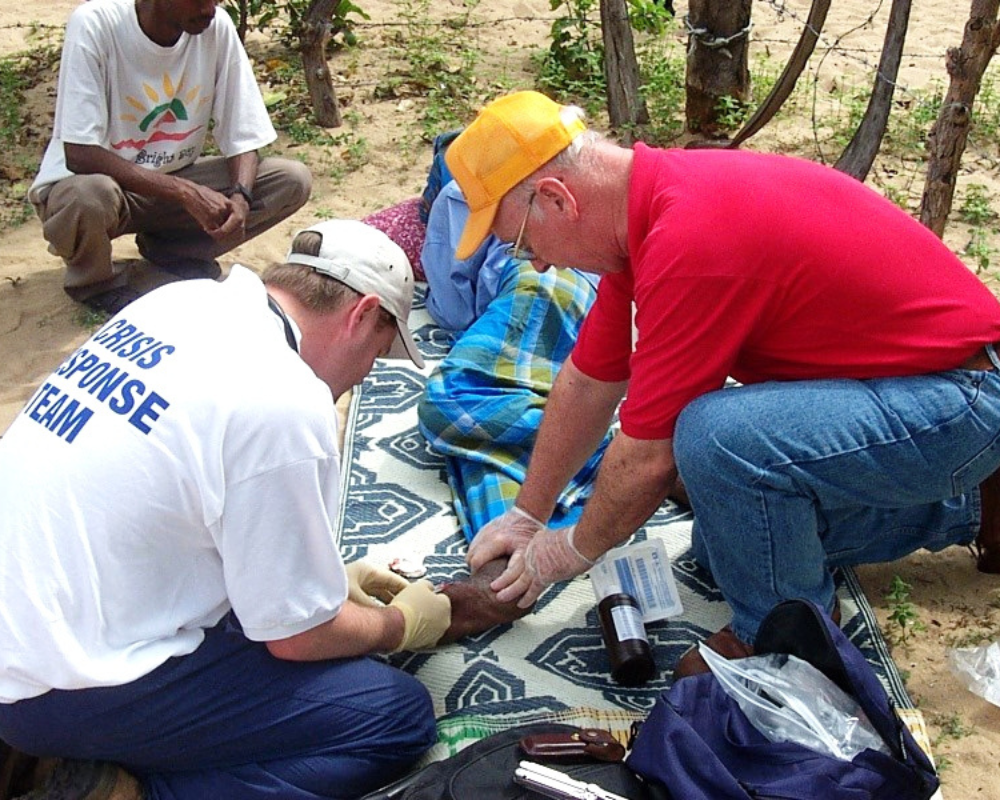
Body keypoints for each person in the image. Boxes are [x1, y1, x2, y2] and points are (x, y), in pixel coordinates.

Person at [443, 90, 1000, 680]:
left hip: (961, 397)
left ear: (557, 199)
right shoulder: (646, 213)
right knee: (725, 544)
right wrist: (529, 514)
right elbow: (587, 383)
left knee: (714, 439)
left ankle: (786, 632)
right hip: (914, 386)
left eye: (523, 243)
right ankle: (977, 509)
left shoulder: (691, 239)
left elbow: (646, 457)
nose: (538, 265)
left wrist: (570, 549)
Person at [0, 219, 452, 800]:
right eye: (377, 353)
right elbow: (297, 638)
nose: (364, 375)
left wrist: (329, 583)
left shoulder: (177, 301)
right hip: (60, 688)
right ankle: (127, 791)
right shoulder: (286, 398)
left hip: (25, 639)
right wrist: (400, 624)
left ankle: (60, 755)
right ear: (362, 315)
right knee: (393, 716)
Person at [28, 0, 313, 315]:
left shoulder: (216, 27)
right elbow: (80, 154)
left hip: (171, 186)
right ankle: (94, 283)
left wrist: (241, 198)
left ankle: (172, 250)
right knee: (87, 196)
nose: (210, 8)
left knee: (290, 180)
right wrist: (184, 192)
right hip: (100, 188)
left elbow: (243, 134)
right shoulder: (96, 24)